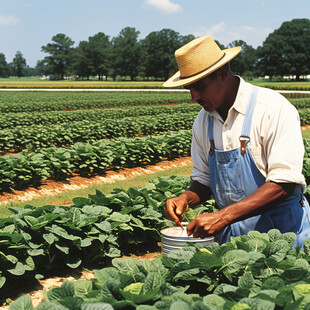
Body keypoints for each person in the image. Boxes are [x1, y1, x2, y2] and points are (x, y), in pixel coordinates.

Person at [163, 35, 310, 247]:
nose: (193, 97)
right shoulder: (203, 122)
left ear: (222, 74)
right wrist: (185, 198)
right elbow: (204, 179)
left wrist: (222, 216)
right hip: (234, 243)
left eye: (199, 87)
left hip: (283, 238)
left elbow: (284, 183)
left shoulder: (272, 108)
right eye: (189, 89)